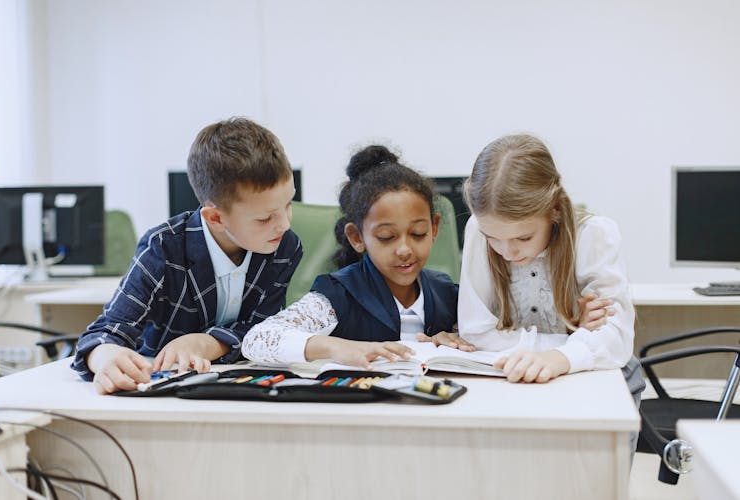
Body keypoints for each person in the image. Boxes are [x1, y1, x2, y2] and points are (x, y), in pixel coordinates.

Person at [72, 117, 302, 394]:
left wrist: (205, 343)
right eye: (265, 218)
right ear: (216, 217)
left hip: (241, 388)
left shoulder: (284, 248)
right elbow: (106, 331)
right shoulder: (162, 248)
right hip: (164, 385)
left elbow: (265, 332)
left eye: (288, 204)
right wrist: (106, 357)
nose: (284, 224)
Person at [242, 145, 470, 368]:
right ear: (357, 237)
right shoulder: (338, 295)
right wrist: (337, 347)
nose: (404, 249)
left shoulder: (448, 293)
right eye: (386, 236)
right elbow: (257, 340)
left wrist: (454, 341)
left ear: (434, 228)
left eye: (418, 234)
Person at [458, 133, 644, 399]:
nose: (508, 252)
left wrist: (558, 358)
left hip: (601, 379)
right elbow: (477, 332)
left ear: (554, 210)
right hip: (513, 380)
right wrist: (573, 339)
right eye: (494, 239)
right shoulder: (477, 229)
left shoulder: (595, 235)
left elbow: (616, 339)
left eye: (523, 237)